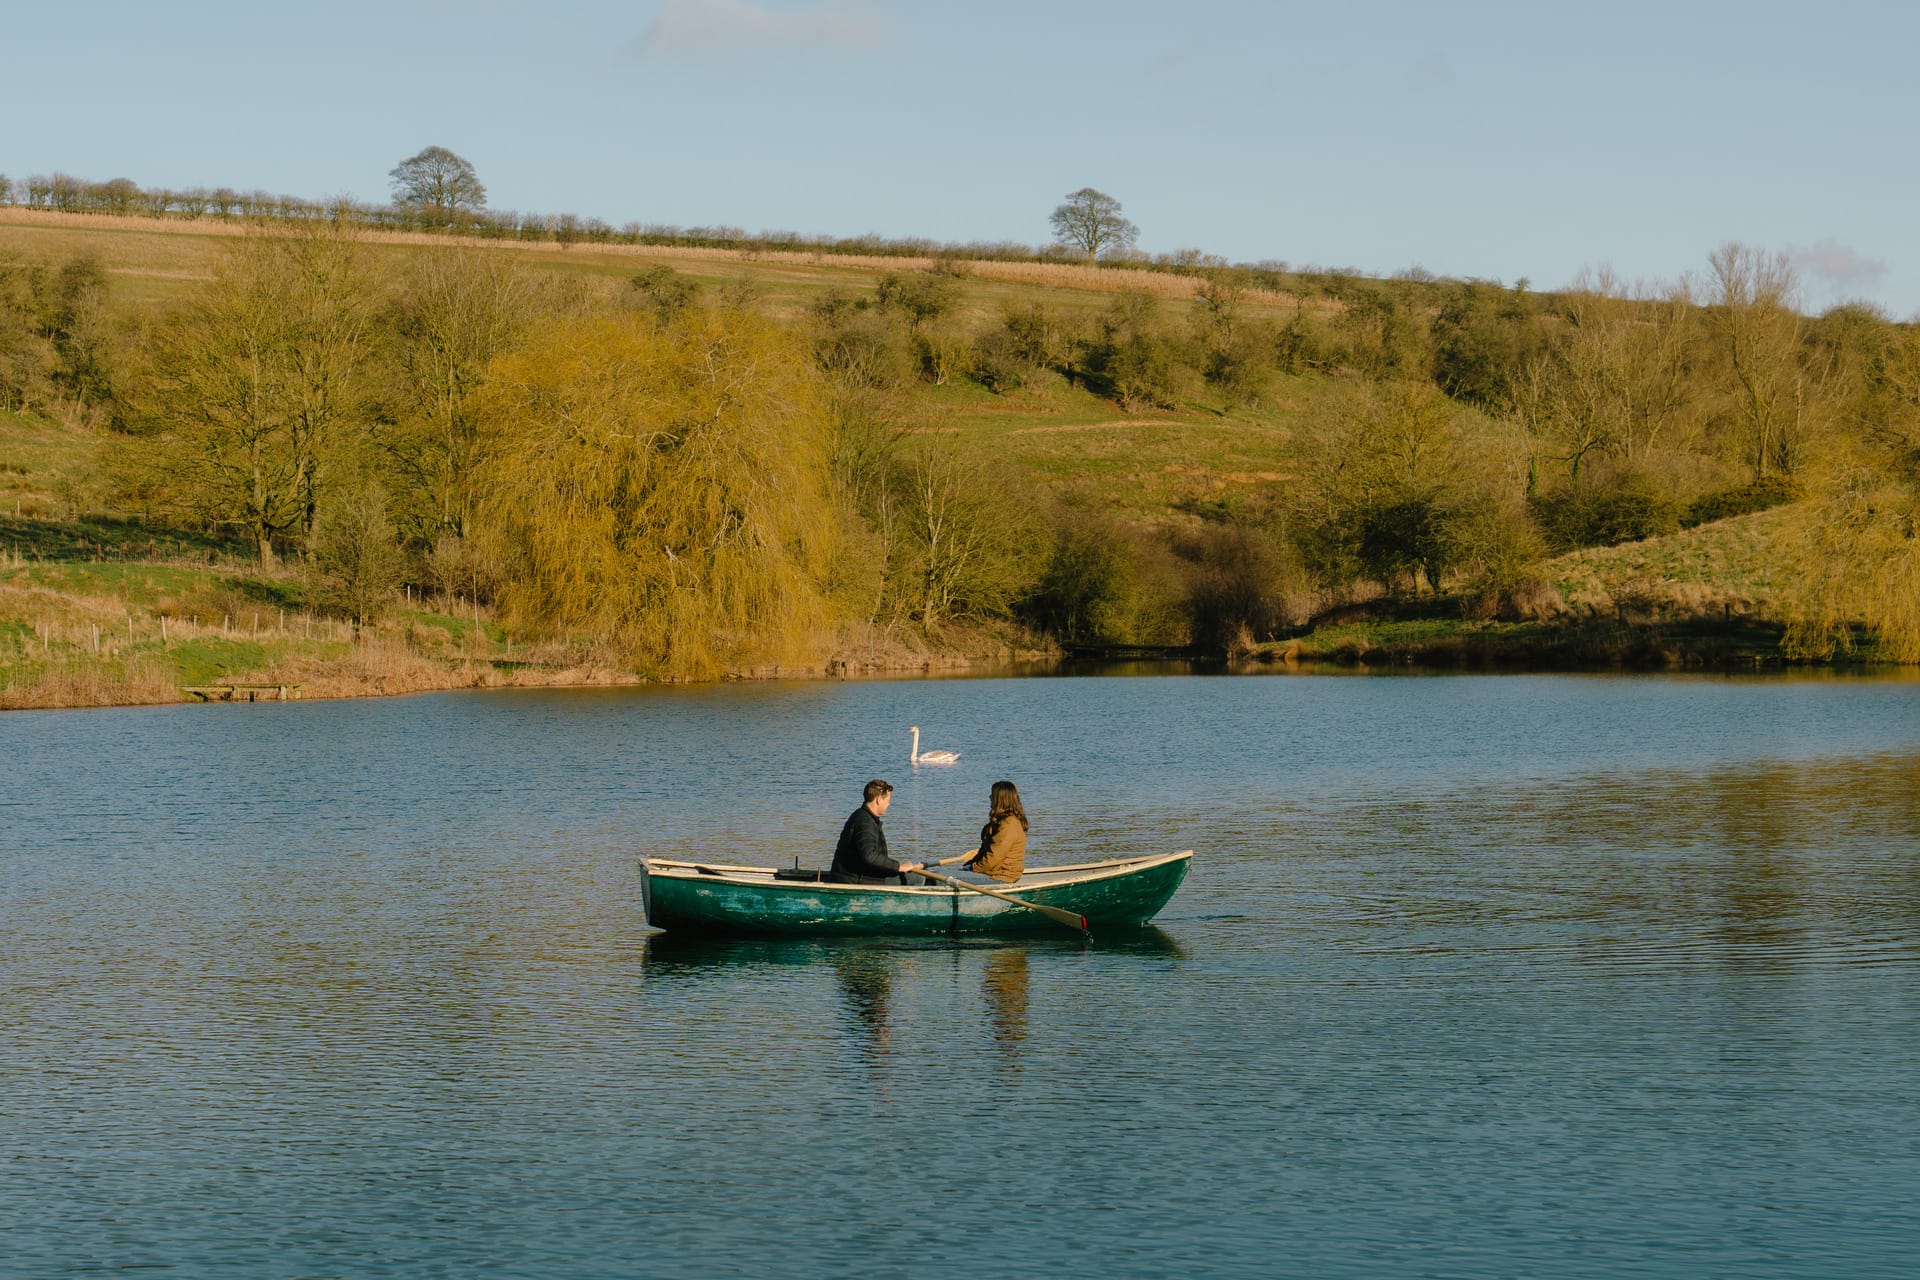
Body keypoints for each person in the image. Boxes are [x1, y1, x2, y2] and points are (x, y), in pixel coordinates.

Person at [827, 779, 925, 885]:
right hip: (855, 880)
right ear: (878, 800)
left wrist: (895, 868)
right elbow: (869, 856)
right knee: (917, 879)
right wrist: (898, 867)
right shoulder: (864, 822)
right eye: (887, 800)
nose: (889, 804)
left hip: (863, 875)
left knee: (917, 876)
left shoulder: (864, 816)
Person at [965, 780, 1029, 883]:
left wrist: (973, 868)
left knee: (939, 878)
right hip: (991, 872)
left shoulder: (1009, 825)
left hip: (1001, 876)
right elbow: (985, 851)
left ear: (1000, 800)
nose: (990, 798)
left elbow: (994, 857)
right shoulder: (1000, 822)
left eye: (992, 795)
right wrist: (970, 865)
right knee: (938, 874)